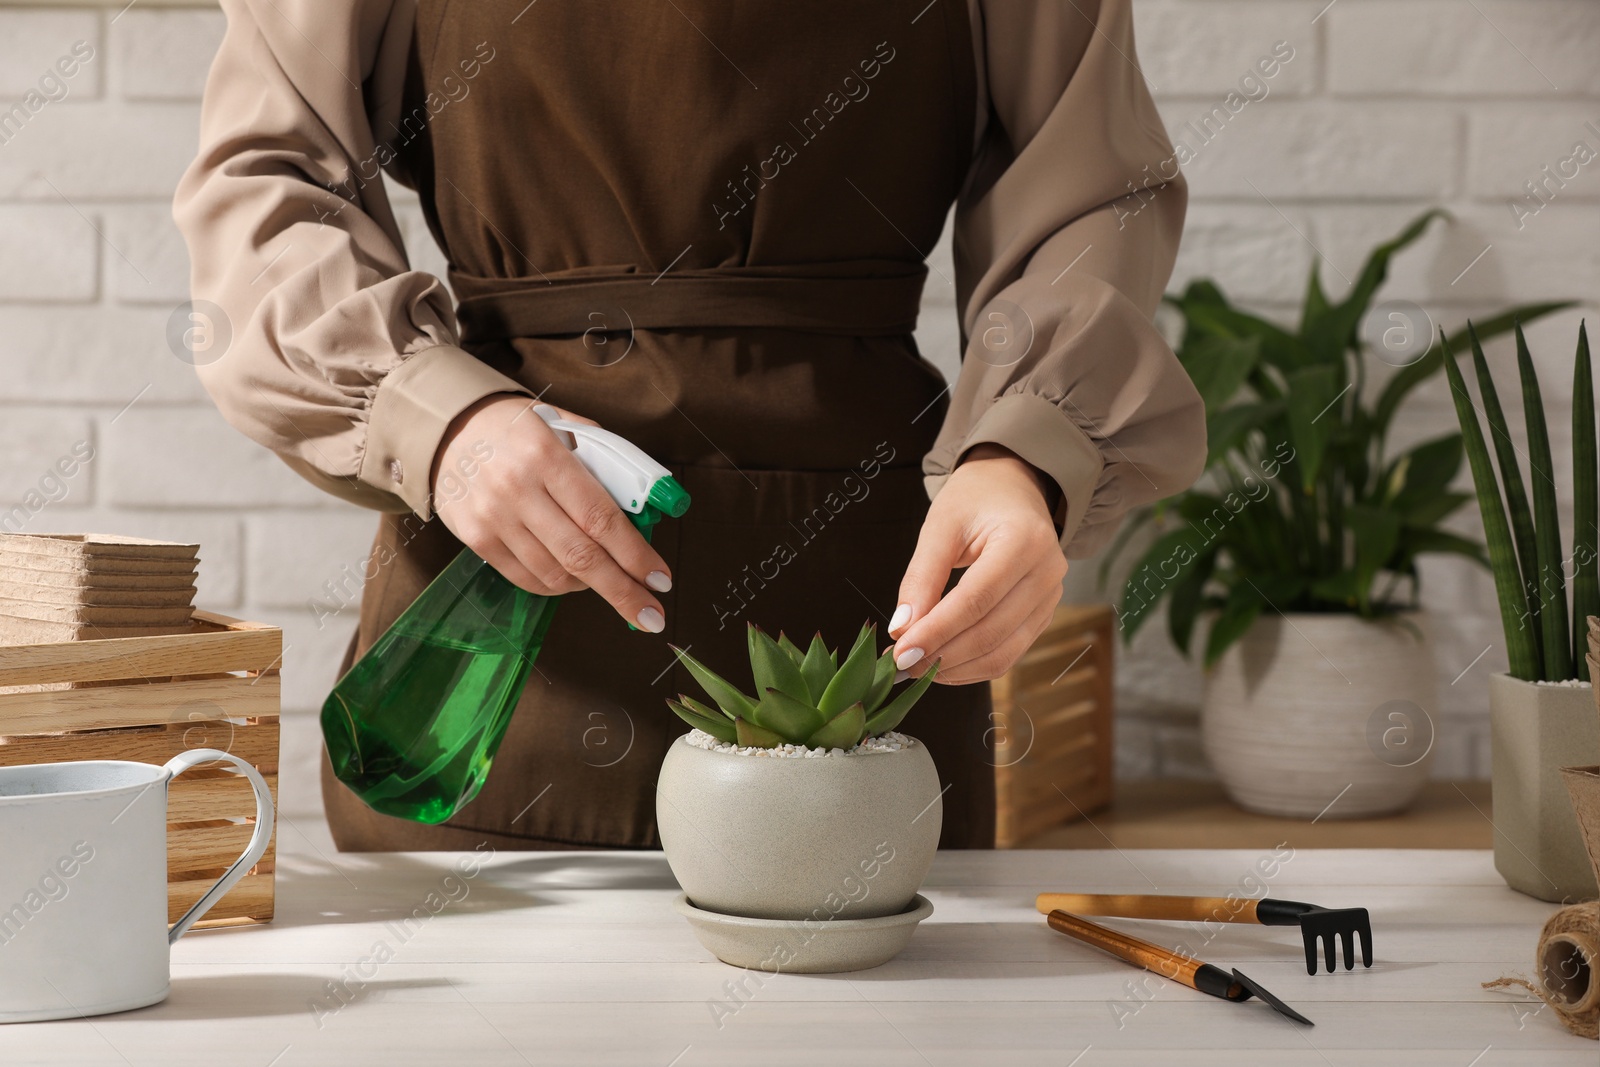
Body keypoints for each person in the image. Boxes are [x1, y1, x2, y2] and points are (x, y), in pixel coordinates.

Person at [175, 0, 1205, 851]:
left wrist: (1023, 456)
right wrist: (436, 421)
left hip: (866, 664)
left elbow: (1091, 196)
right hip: (492, 663)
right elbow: (266, 182)